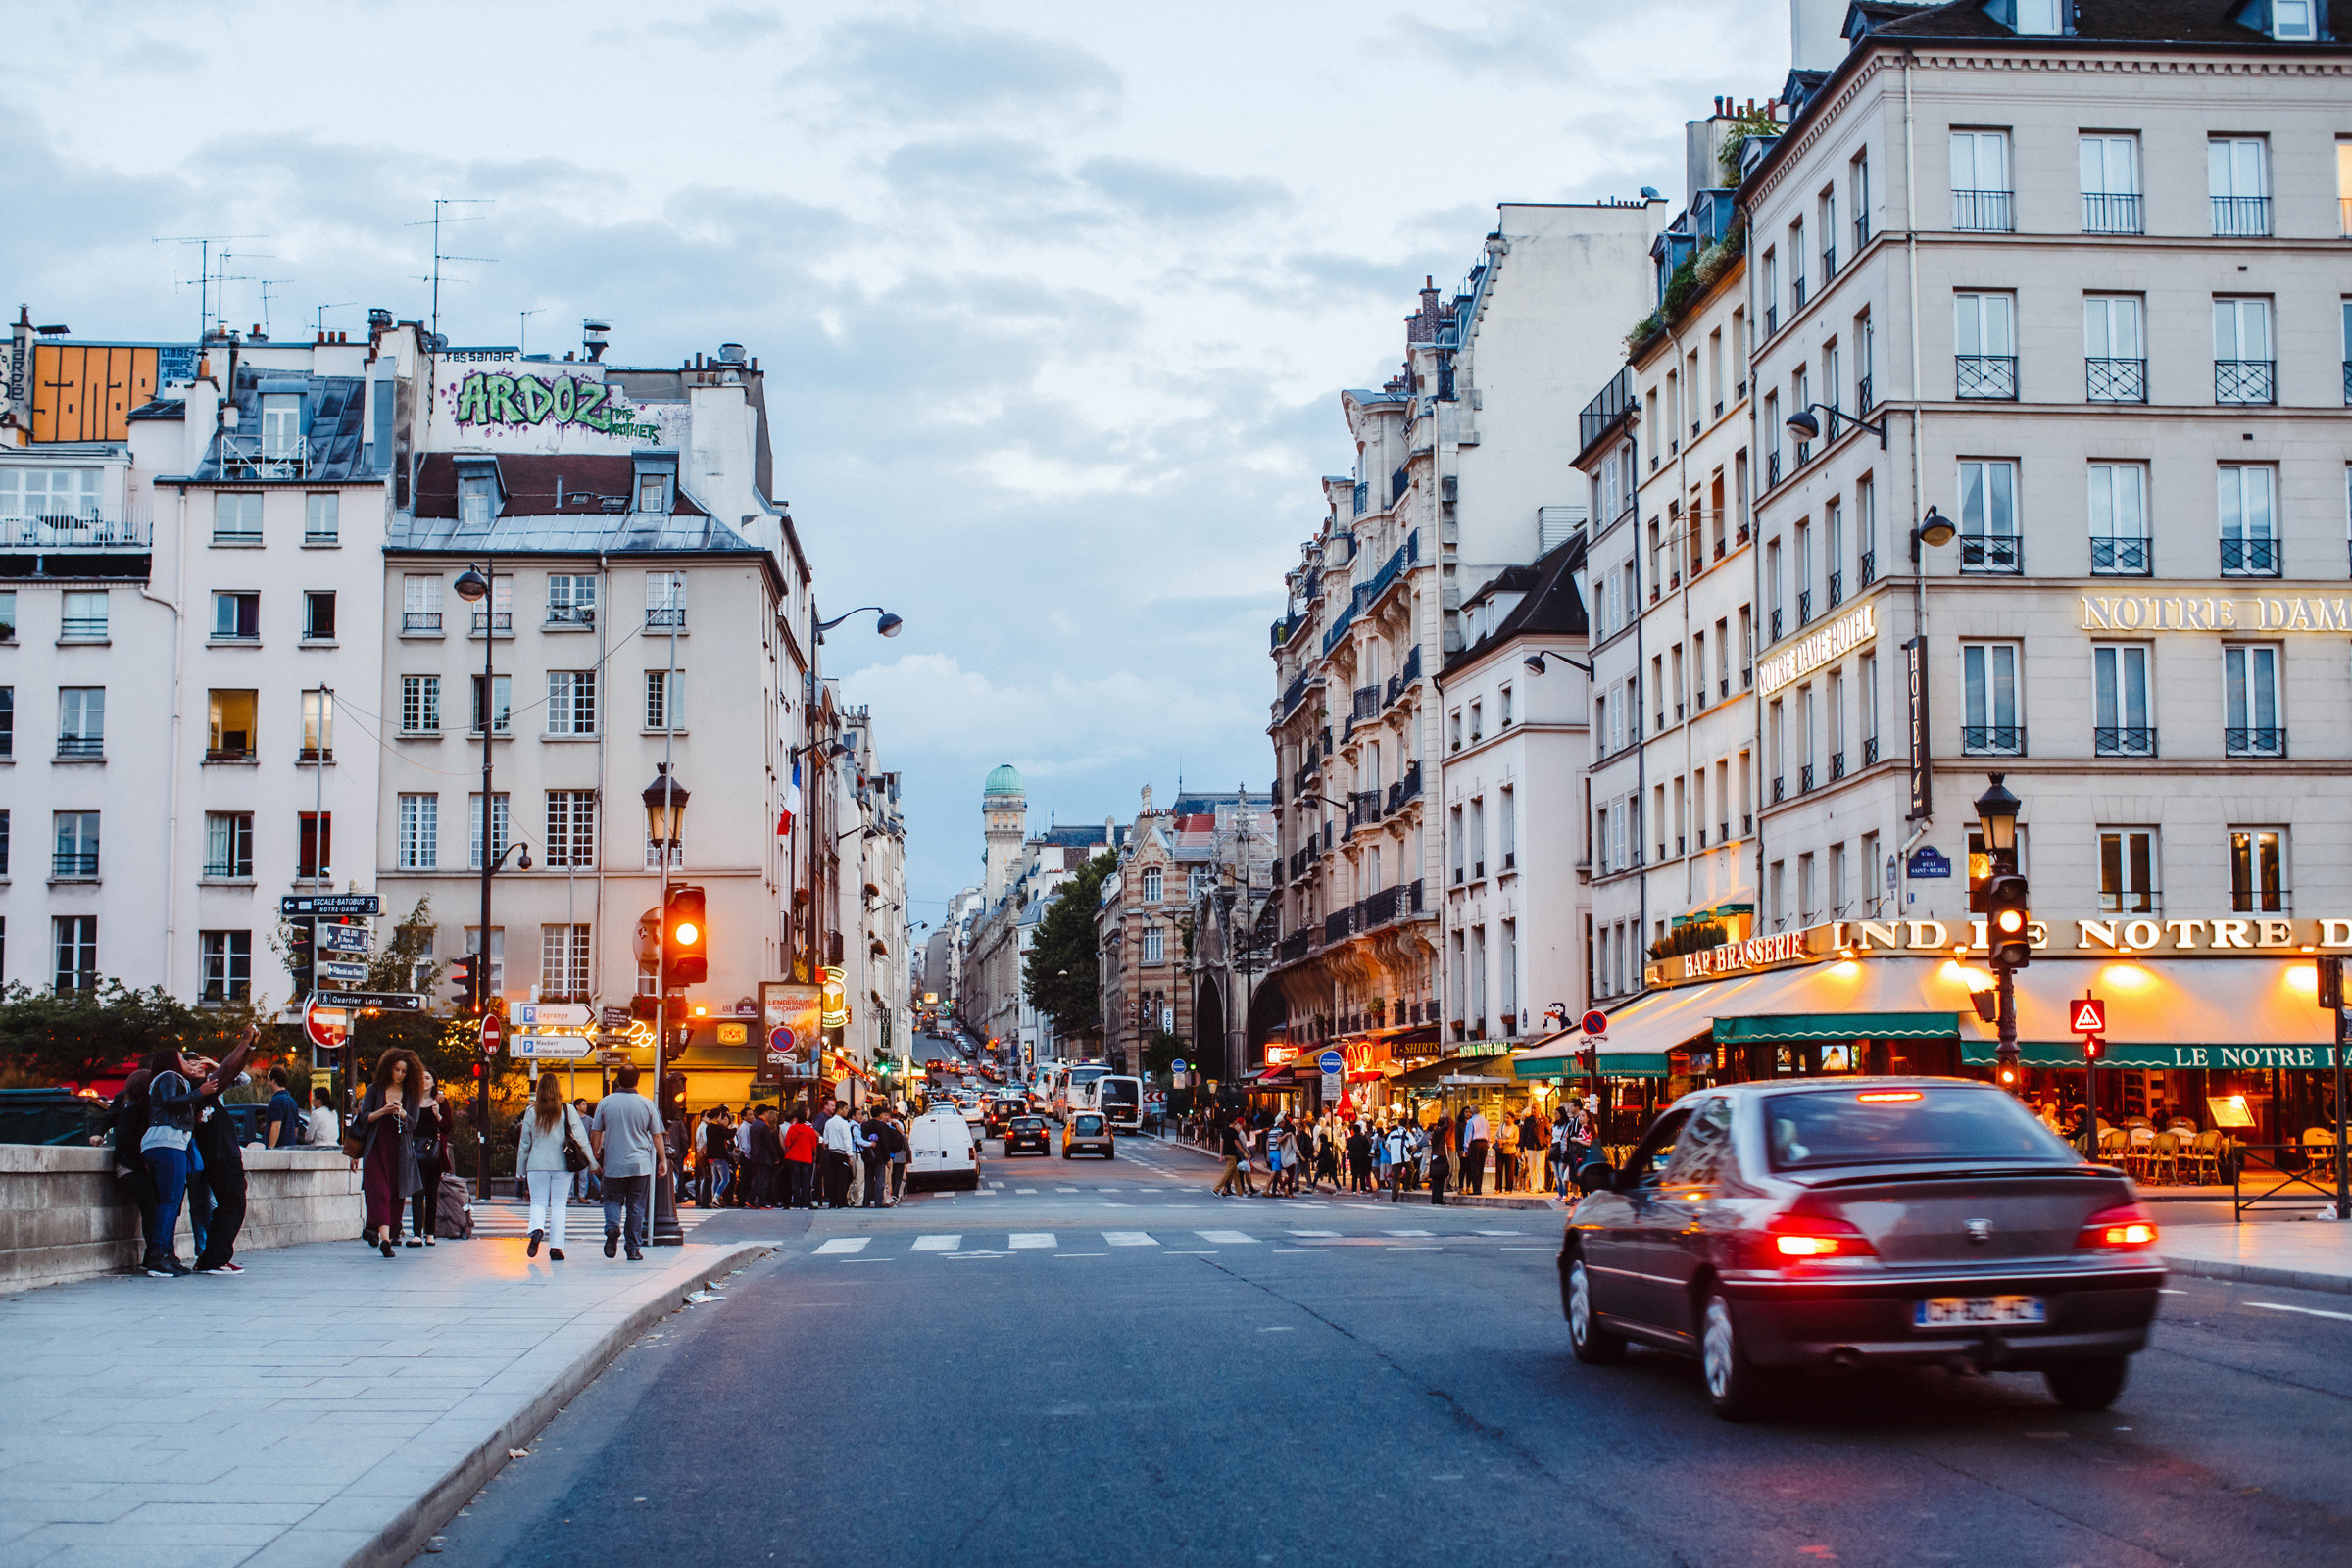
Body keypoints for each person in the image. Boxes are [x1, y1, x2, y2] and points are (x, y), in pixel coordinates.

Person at [190, 1026, 262, 1273]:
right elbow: (227, 1072)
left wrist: (249, 1047)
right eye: (192, 1066)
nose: (199, 1067)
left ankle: (214, 1256)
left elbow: (233, 1073)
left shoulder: (205, 1092)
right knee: (232, 1206)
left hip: (225, 1155)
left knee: (230, 1205)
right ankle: (213, 1259)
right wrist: (243, 1042)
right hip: (219, 1156)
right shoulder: (198, 1092)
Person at [139, 1052, 207, 1276]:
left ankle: (167, 1254)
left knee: (169, 1202)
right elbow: (170, 1102)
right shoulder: (169, 1075)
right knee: (170, 1201)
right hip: (168, 1143)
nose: (187, 1063)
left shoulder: (170, 1079)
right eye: (181, 1058)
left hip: (164, 1144)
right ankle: (159, 1257)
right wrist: (199, 1093)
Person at [590, 1064, 664, 1260]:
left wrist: (595, 1154)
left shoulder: (605, 1103)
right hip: (640, 1164)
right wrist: (662, 1159)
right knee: (636, 1206)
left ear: (618, 1079)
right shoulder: (647, 1104)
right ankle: (632, 1248)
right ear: (638, 1080)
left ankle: (612, 1227)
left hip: (614, 1163)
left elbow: (596, 1132)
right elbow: (657, 1135)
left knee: (612, 1199)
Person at [354, 1050, 422, 1257]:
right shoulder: (375, 1090)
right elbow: (364, 1118)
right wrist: (383, 1111)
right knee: (379, 1192)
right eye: (396, 1070)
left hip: (400, 1151)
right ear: (388, 1068)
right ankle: (385, 1240)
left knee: (395, 1195)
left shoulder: (411, 1094)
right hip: (376, 1148)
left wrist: (402, 1112)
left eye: (403, 1071)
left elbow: (413, 1123)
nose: (399, 1074)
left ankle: (376, 1230)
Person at [516, 1073, 588, 1260]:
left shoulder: (531, 1112)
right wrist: (592, 1161)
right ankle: (556, 1248)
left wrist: (519, 1170)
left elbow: (524, 1144)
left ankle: (537, 1229)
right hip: (562, 1164)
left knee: (538, 1202)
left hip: (536, 1164)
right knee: (558, 1205)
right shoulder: (568, 1109)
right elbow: (580, 1137)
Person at [408, 1070, 450, 1247]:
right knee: (417, 1192)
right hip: (415, 1151)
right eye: (421, 1077)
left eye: (427, 1078)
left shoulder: (440, 1101)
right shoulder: (411, 1100)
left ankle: (430, 1233)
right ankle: (417, 1233)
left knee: (432, 1192)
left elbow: (448, 1127)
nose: (424, 1081)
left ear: (434, 1082)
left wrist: (437, 1114)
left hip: (433, 1153)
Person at [820, 1100, 858, 1208]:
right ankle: (841, 1202)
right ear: (840, 1109)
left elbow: (825, 1139)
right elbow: (847, 1140)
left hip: (831, 1152)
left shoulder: (828, 1122)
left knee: (832, 1178)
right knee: (842, 1179)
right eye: (846, 1109)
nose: (847, 1111)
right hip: (842, 1153)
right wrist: (850, 1156)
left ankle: (833, 1202)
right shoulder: (843, 1123)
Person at [782, 1106, 818, 1207]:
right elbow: (814, 1146)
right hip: (807, 1158)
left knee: (795, 1181)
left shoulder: (792, 1129)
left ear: (796, 1118)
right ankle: (805, 1202)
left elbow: (787, 1143)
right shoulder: (810, 1130)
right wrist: (815, 1155)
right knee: (806, 1182)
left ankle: (796, 1202)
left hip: (794, 1157)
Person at [263, 1068, 305, 1149]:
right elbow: (295, 1128)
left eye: (269, 1080)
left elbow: (276, 1126)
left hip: (279, 1147)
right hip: (290, 1146)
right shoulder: (292, 1101)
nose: (268, 1083)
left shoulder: (276, 1101)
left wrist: (270, 1148)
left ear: (274, 1081)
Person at [860, 1103, 892, 1207]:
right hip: (880, 1157)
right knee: (879, 1180)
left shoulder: (864, 1125)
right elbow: (885, 1143)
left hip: (868, 1155)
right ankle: (878, 1202)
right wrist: (887, 1158)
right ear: (880, 1115)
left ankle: (866, 1202)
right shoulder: (881, 1126)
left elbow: (863, 1139)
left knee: (868, 1180)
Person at [1210, 1114, 1249, 1197]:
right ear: (1234, 1121)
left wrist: (1221, 1155)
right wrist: (1244, 1152)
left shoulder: (1224, 1131)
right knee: (1227, 1174)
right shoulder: (1233, 1131)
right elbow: (1237, 1143)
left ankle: (1239, 1192)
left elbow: (1221, 1143)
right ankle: (1216, 1189)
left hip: (1226, 1154)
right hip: (1232, 1154)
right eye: (1236, 1120)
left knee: (1236, 1174)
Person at [1460, 1103, 1490, 1196]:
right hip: (1484, 1143)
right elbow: (1488, 1132)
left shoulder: (1471, 1121)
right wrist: (1488, 1144)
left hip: (1475, 1144)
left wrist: (1466, 1147)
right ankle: (1479, 1187)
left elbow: (1468, 1135)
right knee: (1481, 1166)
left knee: (1474, 1166)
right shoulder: (1485, 1120)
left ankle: (1476, 1189)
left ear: (1472, 1112)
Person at [1428, 1113, 1454, 1204]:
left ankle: (1435, 1198)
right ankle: (1438, 1198)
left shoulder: (1436, 1132)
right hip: (1439, 1157)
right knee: (1440, 1179)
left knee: (1437, 1180)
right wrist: (1447, 1116)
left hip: (1437, 1156)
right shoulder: (1439, 1132)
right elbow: (1446, 1126)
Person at [306, 1087, 340, 1151]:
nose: (312, 1101)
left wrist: (306, 1135)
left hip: (319, 1148)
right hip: (335, 1147)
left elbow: (309, 1137)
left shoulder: (316, 1114)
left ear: (319, 1100)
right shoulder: (333, 1112)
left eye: (313, 1098)